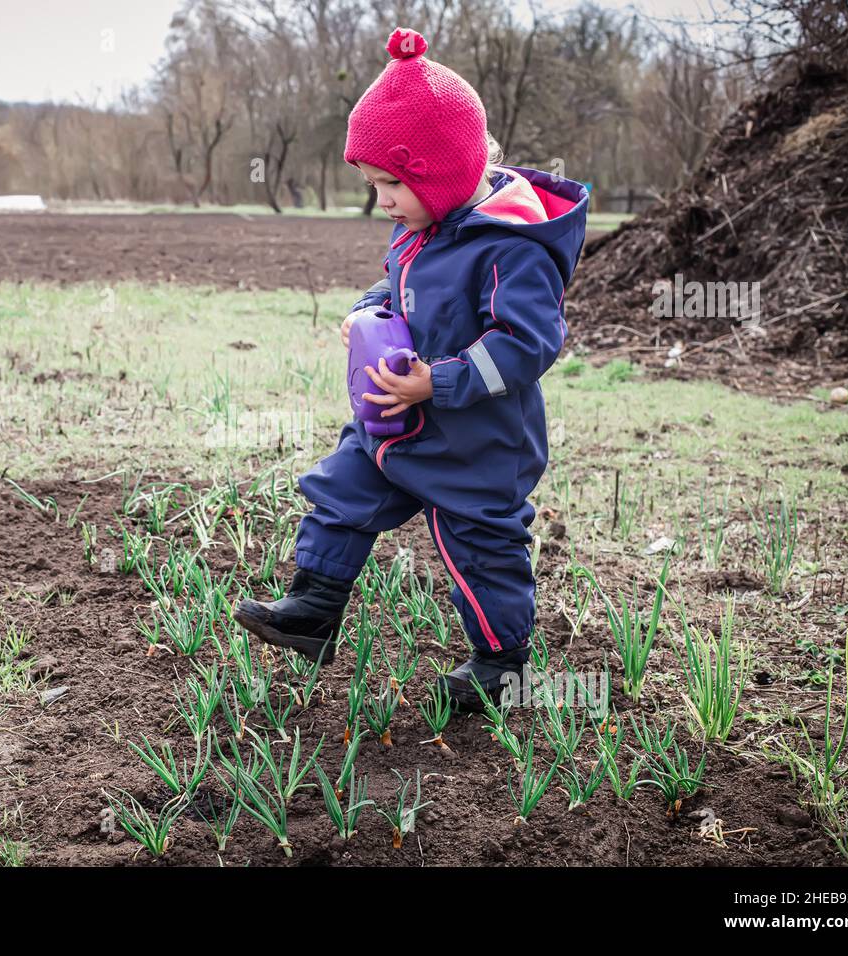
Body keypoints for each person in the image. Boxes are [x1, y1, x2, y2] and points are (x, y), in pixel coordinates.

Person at [233, 26, 590, 708]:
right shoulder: (421, 225)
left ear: (442, 172)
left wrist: (440, 379)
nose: (383, 202)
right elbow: (398, 285)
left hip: (478, 444)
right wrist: (368, 310)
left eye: (390, 184)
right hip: (398, 422)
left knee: (482, 551)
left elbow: (526, 342)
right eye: (372, 186)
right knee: (343, 491)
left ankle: (503, 665)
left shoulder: (511, 250)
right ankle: (313, 609)